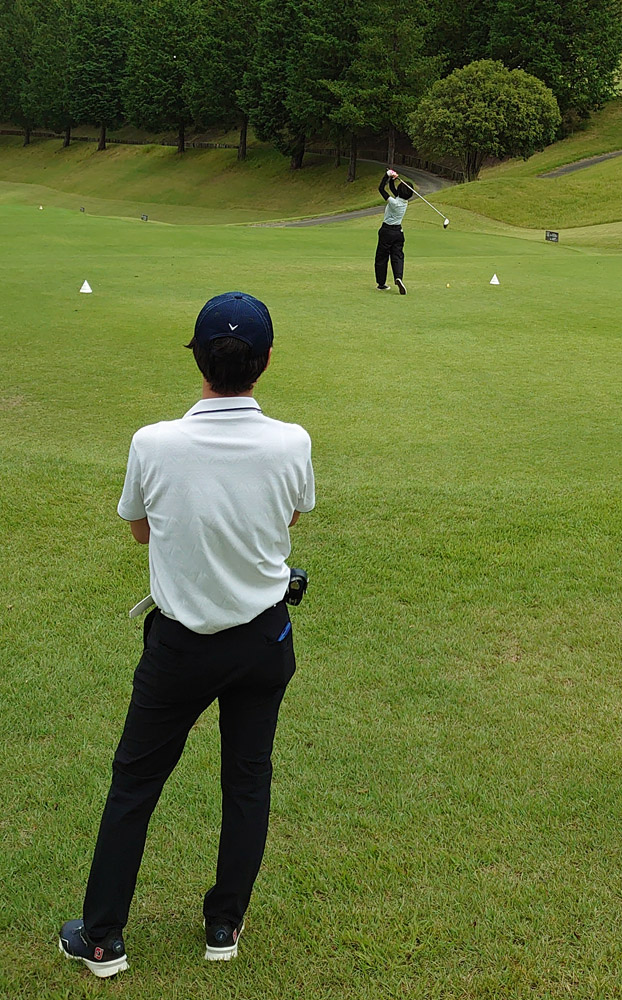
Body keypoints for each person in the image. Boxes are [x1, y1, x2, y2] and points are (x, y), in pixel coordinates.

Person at [59, 291, 315, 977]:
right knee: (248, 781)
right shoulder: (292, 440)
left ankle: (104, 938)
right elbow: (289, 520)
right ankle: (224, 925)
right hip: (264, 641)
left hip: (181, 646)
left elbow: (140, 527)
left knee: (135, 784)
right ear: (265, 361)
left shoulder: (154, 442)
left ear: (198, 359)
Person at [375, 168, 414, 295]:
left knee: (382, 257)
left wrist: (386, 175)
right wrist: (393, 179)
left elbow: (381, 189)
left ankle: (381, 284)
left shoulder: (393, 202)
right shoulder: (404, 202)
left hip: (386, 231)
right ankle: (398, 277)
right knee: (397, 256)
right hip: (398, 232)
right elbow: (393, 189)